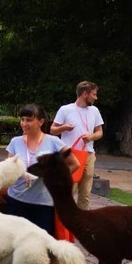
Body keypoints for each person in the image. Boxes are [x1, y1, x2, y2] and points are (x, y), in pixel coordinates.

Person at [5, 104, 80, 264]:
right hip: (16, 200)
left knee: (44, 251)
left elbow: (74, 164)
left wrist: (50, 177)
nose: (24, 124)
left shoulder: (55, 142)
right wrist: (20, 174)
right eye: (22, 120)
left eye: (29, 120)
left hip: (43, 204)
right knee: (18, 248)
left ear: (41, 121)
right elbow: (9, 167)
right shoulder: (15, 142)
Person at [51, 81, 105, 210]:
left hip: (89, 155)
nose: (96, 98)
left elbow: (100, 132)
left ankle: (81, 224)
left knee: (85, 194)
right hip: (70, 156)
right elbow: (53, 130)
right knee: (69, 190)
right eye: (94, 94)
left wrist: (91, 136)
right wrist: (64, 127)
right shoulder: (65, 109)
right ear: (85, 94)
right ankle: (62, 224)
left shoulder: (95, 111)